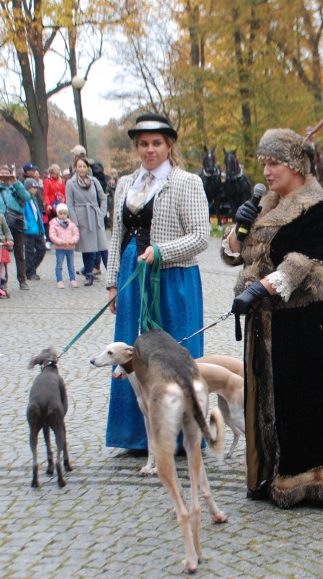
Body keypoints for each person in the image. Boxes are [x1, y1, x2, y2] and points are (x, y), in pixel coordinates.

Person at [222, 128, 323, 507]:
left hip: (307, 320)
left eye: (274, 163)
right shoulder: (268, 201)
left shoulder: (316, 207)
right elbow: (242, 255)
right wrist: (237, 233)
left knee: (306, 399)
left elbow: (306, 259)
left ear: (295, 164)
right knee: (270, 400)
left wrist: (261, 288)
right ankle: (268, 472)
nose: (267, 171)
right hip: (268, 318)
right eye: (264, 163)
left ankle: (311, 479)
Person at [104, 113, 209, 453]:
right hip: (132, 282)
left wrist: (162, 250)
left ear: (168, 146)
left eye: (157, 143)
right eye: (144, 144)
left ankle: (182, 435)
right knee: (133, 354)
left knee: (174, 353)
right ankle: (136, 435)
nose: (150, 150)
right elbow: (116, 236)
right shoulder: (124, 184)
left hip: (172, 281)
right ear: (137, 146)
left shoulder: (186, 182)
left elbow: (200, 237)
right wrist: (112, 284)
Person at [0, 166, 33, 290]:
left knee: (19, 253)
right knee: (1, 253)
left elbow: (26, 197)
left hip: (16, 222)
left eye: (6, 174)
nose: (4, 177)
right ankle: (3, 280)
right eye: (1, 174)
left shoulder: (15, 187)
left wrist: (17, 183)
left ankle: (22, 279)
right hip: (0, 223)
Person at [66, 157, 109, 286]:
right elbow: (70, 204)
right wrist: (76, 221)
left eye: (84, 166)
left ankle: (112, 273)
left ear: (88, 168)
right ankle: (89, 273)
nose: (82, 169)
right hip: (82, 216)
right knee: (87, 248)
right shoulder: (71, 183)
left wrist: (101, 213)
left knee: (103, 246)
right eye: (79, 166)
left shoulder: (94, 181)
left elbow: (103, 197)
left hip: (95, 215)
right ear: (75, 168)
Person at [22, 163, 47, 280]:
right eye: (33, 188)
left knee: (42, 249)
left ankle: (31, 268)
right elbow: (24, 214)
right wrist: (26, 226)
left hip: (37, 229)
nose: (35, 190)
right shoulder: (24, 200)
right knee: (29, 252)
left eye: (36, 188)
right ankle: (29, 271)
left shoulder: (35, 199)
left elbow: (38, 214)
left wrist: (41, 228)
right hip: (29, 230)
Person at [48, 204, 79, 288]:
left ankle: (72, 279)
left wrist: (73, 240)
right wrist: (61, 242)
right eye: (61, 213)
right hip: (60, 248)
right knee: (59, 265)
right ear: (57, 214)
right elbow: (52, 236)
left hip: (70, 247)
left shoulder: (71, 224)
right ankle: (59, 280)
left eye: (64, 214)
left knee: (71, 265)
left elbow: (76, 234)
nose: (63, 216)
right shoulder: (54, 224)